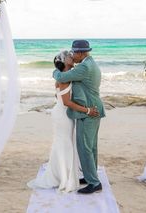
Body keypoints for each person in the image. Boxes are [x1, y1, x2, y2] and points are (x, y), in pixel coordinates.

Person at [27, 50, 99, 193]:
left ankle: (63, 174)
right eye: (68, 56)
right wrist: (87, 111)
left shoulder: (65, 76)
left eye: (72, 55)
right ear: (64, 61)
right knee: (64, 143)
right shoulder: (64, 79)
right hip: (63, 115)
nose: (71, 57)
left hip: (63, 114)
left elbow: (58, 95)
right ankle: (63, 177)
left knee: (64, 143)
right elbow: (66, 102)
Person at [53, 40, 105, 194]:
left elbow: (61, 77)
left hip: (89, 111)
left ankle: (94, 183)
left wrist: (55, 70)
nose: (72, 55)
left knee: (85, 148)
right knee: (91, 147)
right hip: (93, 108)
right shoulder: (90, 63)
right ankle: (91, 177)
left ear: (81, 53)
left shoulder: (84, 67)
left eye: (74, 52)